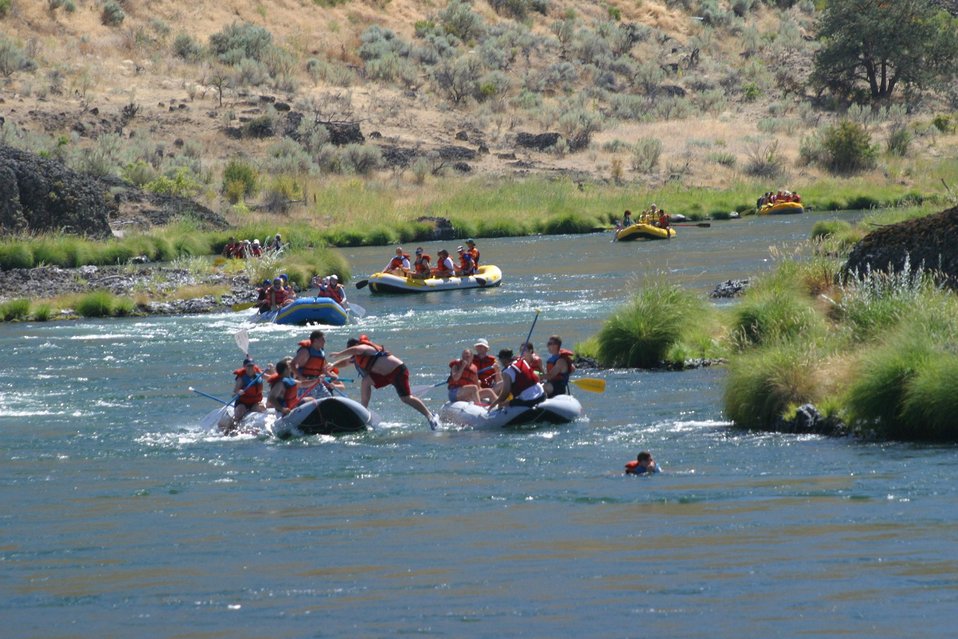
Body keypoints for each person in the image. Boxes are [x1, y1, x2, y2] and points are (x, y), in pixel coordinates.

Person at [330, 335, 439, 429]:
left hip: (398, 371)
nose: (352, 355)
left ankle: (430, 416)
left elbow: (355, 350)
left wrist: (339, 353)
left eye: (351, 350)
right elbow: (345, 362)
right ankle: (363, 411)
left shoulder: (366, 348)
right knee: (366, 381)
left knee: (406, 398)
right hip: (385, 376)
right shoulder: (357, 356)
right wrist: (333, 365)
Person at [292, 330, 334, 397]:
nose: (324, 341)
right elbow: (292, 364)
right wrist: (301, 377)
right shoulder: (305, 351)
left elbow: (322, 369)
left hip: (317, 382)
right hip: (305, 383)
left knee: (329, 398)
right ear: (315, 340)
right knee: (310, 400)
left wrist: (331, 376)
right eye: (322, 339)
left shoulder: (321, 353)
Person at [229, 357, 266, 431]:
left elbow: (271, 378)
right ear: (244, 367)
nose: (250, 369)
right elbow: (234, 393)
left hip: (255, 402)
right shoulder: (241, 378)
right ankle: (231, 429)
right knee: (240, 411)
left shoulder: (259, 375)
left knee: (261, 408)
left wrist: (271, 369)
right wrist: (239, 392)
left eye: (252, 366)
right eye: (248, 367)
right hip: (243, 402)